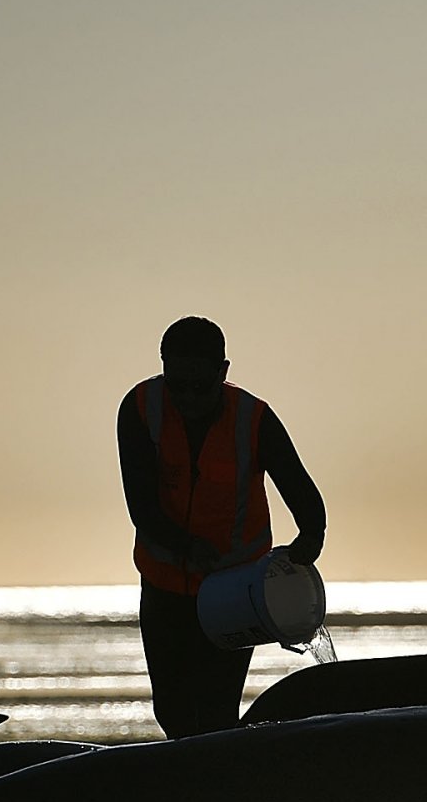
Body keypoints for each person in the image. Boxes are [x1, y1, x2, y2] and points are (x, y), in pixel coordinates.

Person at [118, 316, 327, 738]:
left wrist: (309, 539)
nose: (189, 399)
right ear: (164, 369)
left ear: (223, 372)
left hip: (234, 591)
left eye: (201, 387)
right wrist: (184, 547)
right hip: (164, 588)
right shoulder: (140, 408)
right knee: (173, 712)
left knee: (217, 713)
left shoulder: (254, 419)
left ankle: (224, 789)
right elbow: (141, 505)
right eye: (178, 386)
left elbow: (302, 493)